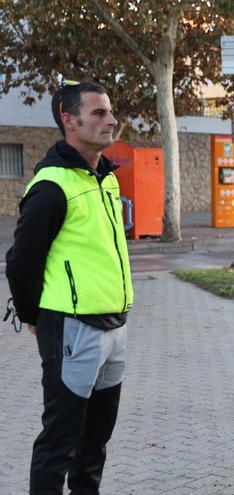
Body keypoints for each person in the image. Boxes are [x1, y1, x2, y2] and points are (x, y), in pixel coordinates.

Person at [6, 80, 133, 494]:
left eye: (110, 112)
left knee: (94, 443)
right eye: (98, 113)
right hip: (72, 330)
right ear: (69, 120)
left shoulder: (106, 179)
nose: (110, 120)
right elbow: (21, 261)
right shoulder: (51, 186)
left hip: (114, 328)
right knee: (59, 442)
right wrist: (33, 316)